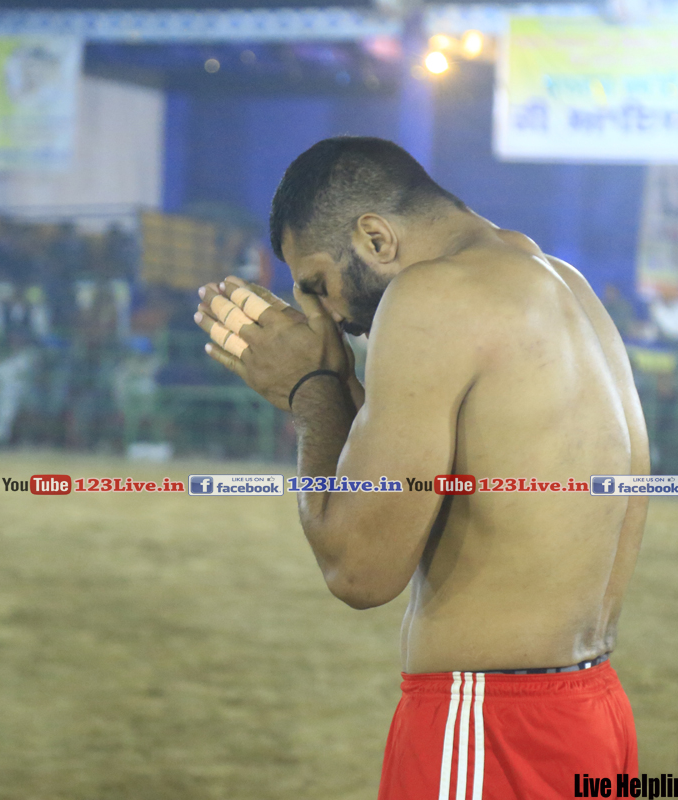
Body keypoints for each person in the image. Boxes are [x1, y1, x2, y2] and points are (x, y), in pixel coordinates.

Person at [194, 137, 646, 796]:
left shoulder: (433, 295)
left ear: (375, 238)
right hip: (593, 715)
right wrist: (337, 386)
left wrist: (309, 392)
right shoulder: (565, 285)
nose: (327, 317)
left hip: (491, 727)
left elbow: (359, 569)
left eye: (318, 285)